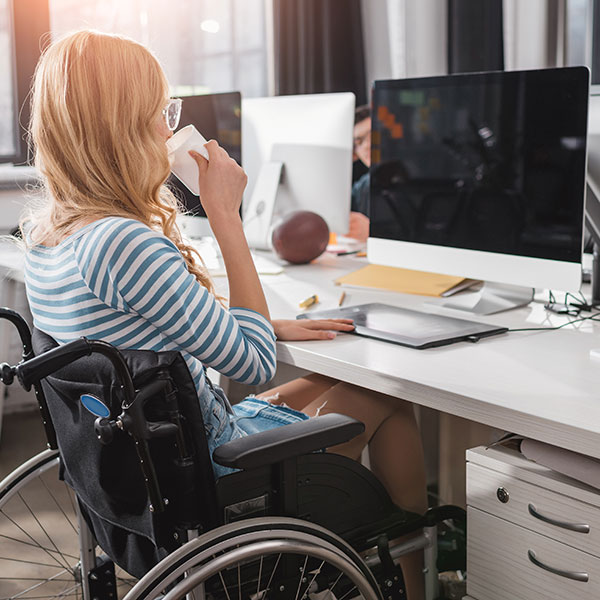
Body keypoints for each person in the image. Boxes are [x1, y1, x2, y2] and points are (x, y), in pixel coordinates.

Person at [22, 31, 426, 599]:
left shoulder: (46, 238)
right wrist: (224, 214)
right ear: (123, 127)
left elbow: (142, 330)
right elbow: (255, 363)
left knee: (334, 381)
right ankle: (414, 569)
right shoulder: (122, 243)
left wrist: (256, 321)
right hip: (214, 477)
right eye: (159, 113)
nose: (168, 129)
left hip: (139, 475)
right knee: (389, 396)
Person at [347, 104, 371, 242]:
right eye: (359, 141)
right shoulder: (363, 186)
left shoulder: (418, 180)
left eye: (372, 135)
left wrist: (373, 232)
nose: (366, 146)